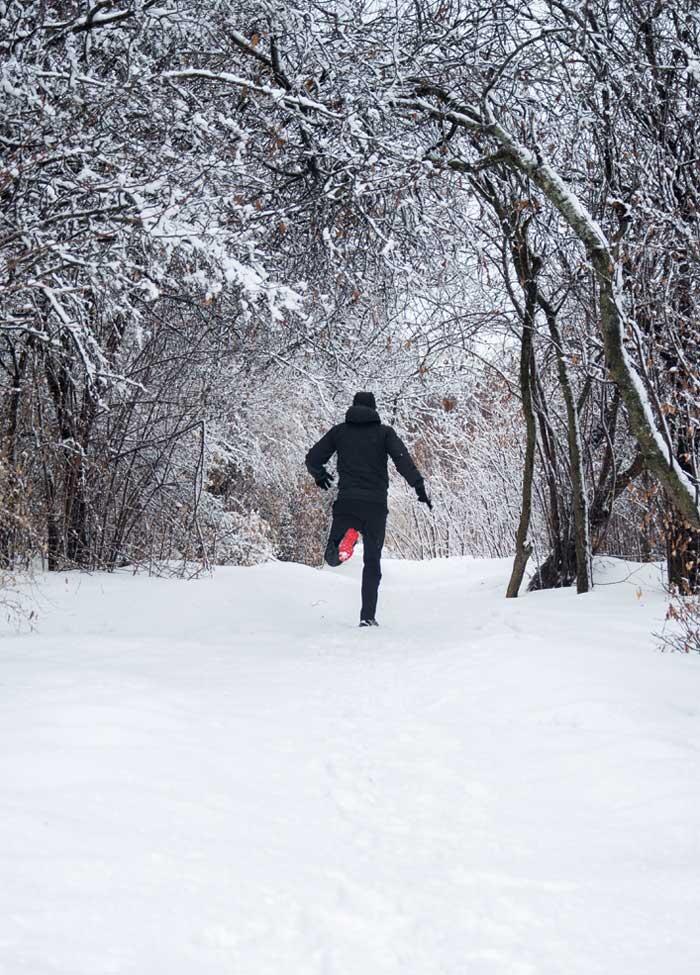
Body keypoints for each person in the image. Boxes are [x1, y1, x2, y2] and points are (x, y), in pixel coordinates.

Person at [305, 391, 432, 627]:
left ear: (353, 408)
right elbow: (403, 460)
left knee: (331, 558)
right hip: (375, 507)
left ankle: (348, 539)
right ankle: (367, 617)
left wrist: (319, 475)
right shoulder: (384, 433)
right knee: (372, 563)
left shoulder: (339, 432)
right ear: (374, 410)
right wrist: (419, 486)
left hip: (347, 503)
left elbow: (312, 458)